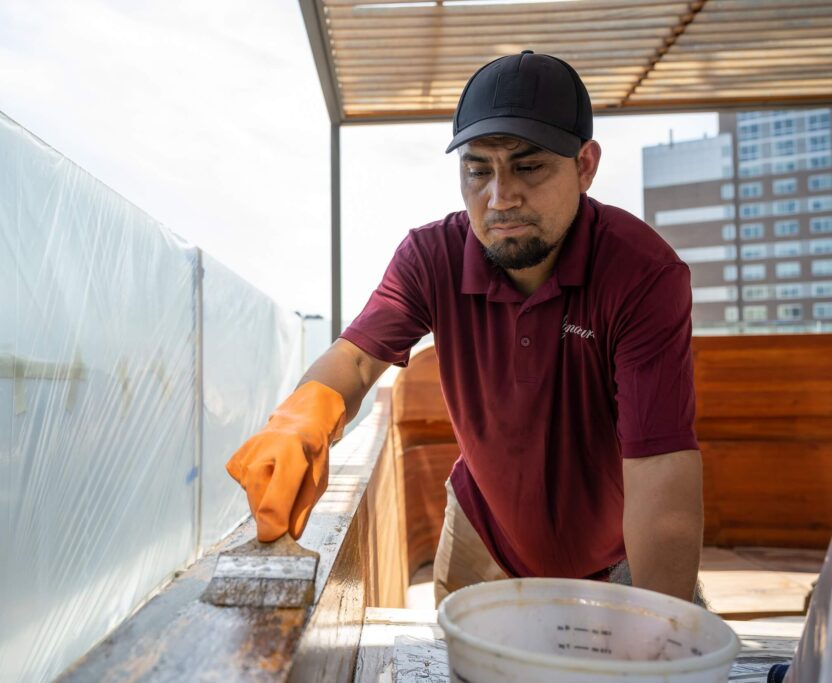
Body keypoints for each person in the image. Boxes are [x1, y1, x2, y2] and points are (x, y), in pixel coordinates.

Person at [225, 50, 705, 607]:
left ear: (585, 165)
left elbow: (659, 459)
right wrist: (299, 418)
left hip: (617, 553)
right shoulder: (432, 257)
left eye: (528, 167)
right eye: (478, 170)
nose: (500, 198)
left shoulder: (643, 274)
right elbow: (357, 360)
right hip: (480, 533)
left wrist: (663, 623)